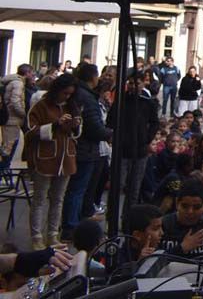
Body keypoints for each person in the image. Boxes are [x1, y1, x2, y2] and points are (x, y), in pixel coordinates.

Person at [24, 73, 80, 249]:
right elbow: (30, 131)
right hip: (46, 159)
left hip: (66, 159)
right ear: (57, 90)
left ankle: (53, 235)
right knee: (40, 198)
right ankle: (37, 236)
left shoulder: (72, 106)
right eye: (65, 93)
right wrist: (55, 124)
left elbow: (76, 134)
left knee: (58, 199)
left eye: (70, 94)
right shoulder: (40, 106)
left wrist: (76, 126)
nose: (67, 97)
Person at [62, 63, 110, 239]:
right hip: (85, 148)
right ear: (93, 77)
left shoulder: (81, 94)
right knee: (78, 188)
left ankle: (77, 220)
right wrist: (109, 134)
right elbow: (93, 125)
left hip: (82, 147)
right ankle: (71, 226)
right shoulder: (87, 97)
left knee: (78, 188)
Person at [108, 72, 159, 221]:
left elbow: (154, 122)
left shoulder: (147, 102)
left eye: (136, 83)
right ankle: (111, 218)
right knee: (118, 185)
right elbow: (111, 121)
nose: (133, 86)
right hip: (122, 150)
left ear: (143, 84)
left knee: (134, 188)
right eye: (130, 83)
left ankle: (127, 219)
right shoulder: (121, 101)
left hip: (140, 150)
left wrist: (147, 139)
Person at [2, 64, 34, 151]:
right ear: (27, 73)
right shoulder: (18, 83)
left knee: (7, 147)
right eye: (31, 73)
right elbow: (15, 101)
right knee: (8, 149)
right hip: (12, 119)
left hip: (9, 118)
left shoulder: (13, 81)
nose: (32, 75)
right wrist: (23, 114)